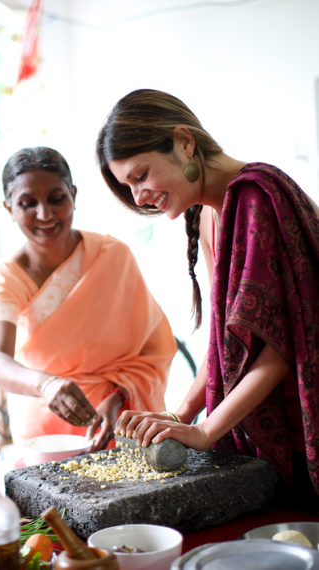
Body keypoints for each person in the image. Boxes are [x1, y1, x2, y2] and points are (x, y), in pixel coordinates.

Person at [96, 88, 319, 506]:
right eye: (130, 186)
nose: (139, 197)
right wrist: (180, 414)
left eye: (141, 176)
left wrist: (204, 431)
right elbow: (226, 344)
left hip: (299, 442)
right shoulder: (213, 212)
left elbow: (279, 350)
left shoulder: (256, 198)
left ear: (184, 141)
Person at [0, 146, 177, 452]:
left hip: (120, 420)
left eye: (57, 198)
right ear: (9, 208)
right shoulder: (7, 279)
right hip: (46, 432)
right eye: (27, 203)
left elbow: (155, 349)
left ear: (73, 194)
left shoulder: (113, 256)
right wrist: (47, 384)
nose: (45, 214)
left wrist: (118, 397)